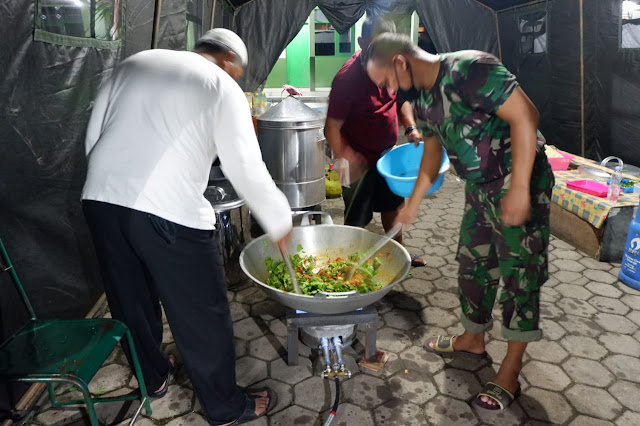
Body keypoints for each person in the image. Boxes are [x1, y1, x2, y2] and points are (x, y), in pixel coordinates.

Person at [82, 29, 291, 425]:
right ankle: (226, 407)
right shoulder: (221, 85)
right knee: (201, 311)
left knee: (132, 300)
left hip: (99, 198)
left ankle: (153, 377)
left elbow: (94, 137)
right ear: (229, 60)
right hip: (166, 210)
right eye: (238, 71)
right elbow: (244, 165)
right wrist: (279, 221)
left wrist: (109, 189)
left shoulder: (136, 62)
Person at [365, 33, 554, 411]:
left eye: (386, 80)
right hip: (480, 187)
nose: (387, 90)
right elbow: (432, 154)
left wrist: (518, 188)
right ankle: (473, 338)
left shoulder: (470, 68)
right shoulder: (421, 96)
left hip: (519, 180)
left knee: (520, 274)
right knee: (473, 265)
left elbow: (526, 116)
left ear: (401, 62)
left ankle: (510, 370)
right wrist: (412, 204)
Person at [324, 17, 426, 267]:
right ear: (362, 42)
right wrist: (346, 156)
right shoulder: (347, 79)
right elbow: (331, 127)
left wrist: (410, 127)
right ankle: (352, 265)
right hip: (354, 158)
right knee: (357, 218)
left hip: (387, 155)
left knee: (393, 206)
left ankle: (399, 255)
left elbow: (401, 100)